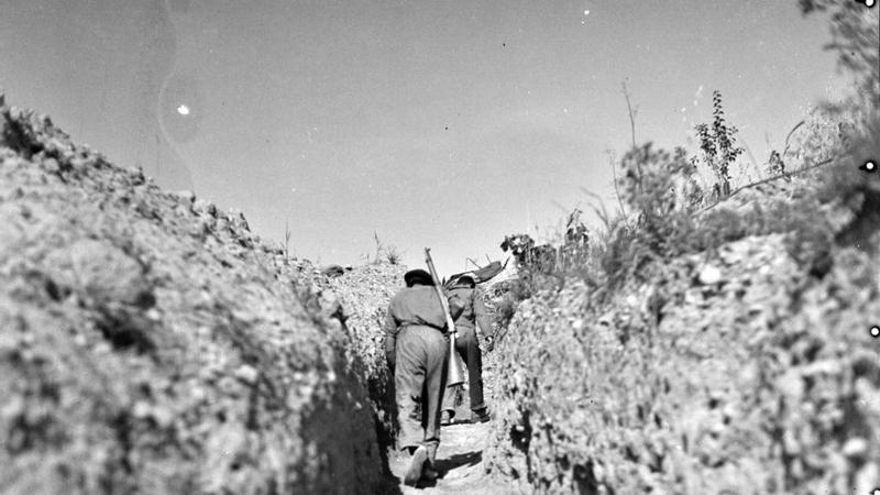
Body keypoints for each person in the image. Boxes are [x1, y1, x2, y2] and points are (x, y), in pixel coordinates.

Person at [384, 268, 462, 486]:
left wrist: (394, 363)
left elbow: (389, 336)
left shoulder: (399, 297)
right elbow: (459, 307)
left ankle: (415, 445)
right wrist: (444, 293)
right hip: (438, 339)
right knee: (433, 400)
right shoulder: (438, 294)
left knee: (408, 398)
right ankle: (429, 459)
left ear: (410, 283)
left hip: (410, 340)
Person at [441, 274, 492, 424]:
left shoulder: (447, 293)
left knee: (448, 372)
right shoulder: (473, 292)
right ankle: (477, 411)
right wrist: (488, 334)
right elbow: (481, 314)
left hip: (447, 336)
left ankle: (445, 412)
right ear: (470, 285)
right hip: (467, 334)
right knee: (474, 370)